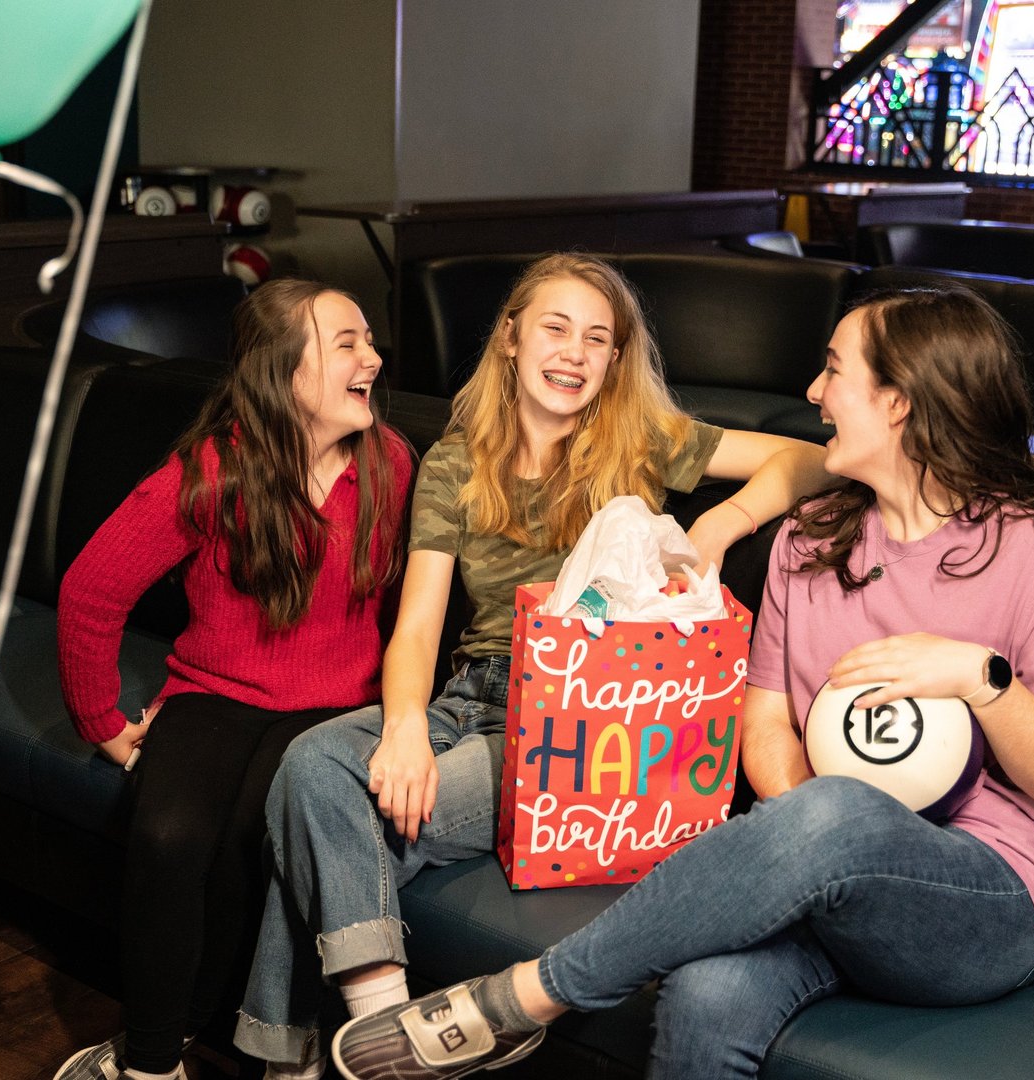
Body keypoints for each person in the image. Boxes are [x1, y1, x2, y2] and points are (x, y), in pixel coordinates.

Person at [326, 285, 1034, 1080]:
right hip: (829, 891)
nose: (812, 393)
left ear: (899, 401)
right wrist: (807, 840)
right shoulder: (808, 545)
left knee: (838, 809)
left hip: (986, 897)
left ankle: (528, 998)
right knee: (705, 993)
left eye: (833, 372)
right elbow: (766, 726)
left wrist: (980, 679)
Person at [233, 253, 830, 1079]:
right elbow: (416, 627)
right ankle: (394, 1026)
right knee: (313, 762)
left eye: (598, 339)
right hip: (467, 698)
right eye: (554, 328)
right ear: (510, 337)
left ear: (615, 360)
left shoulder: (641, 440)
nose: (574, 353)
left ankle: (295, 1057)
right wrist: (404, 727)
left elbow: (813, 460)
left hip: (576, 730)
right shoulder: (452, 462)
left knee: (320, 814)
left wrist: (723, 524)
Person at [52, 280, 414, 1080]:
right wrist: (102, 722)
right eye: (347, 343)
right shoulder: (213, 470)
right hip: (213, 693)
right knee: (166, 835)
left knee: (248, 839)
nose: (373, 359)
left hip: (334, 714)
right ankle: (150, 1063)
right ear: (284, 373)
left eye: (368, 340)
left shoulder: (388, 464)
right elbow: (90, 591)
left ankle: (206, 1034)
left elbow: (411, 615)